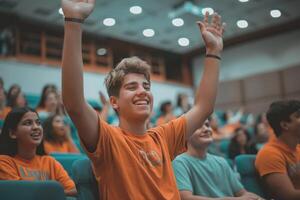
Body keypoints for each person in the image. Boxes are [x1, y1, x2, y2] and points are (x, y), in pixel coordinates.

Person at [61, 0, 225, 198]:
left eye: (146, 86)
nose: (142, 91)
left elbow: (204, 107)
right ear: (114, 102)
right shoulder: (107, 138)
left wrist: (213, 52)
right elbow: (74, 104)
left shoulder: (163, 137)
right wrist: (73, 21)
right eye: (132, 87)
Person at [172, 120, 264, 199]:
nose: (206, 129)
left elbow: (243, 193)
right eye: (198, 126)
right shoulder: (179, 162)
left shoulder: (221, 161)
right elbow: (186, 198)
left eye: (207, 125)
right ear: (185, 134)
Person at [0, 107, 77, 196]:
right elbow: (21, 194)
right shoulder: (4, 162)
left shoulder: (50, 162)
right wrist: (54, 194)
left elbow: (73, 189)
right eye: (28, 123)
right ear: (13, 133)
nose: (36, 127)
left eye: (38, 123)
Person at [255, 100, 300, 200]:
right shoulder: (269, 154)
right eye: (298, 116)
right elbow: (288, 196)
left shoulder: (298, 148)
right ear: (285, 125)